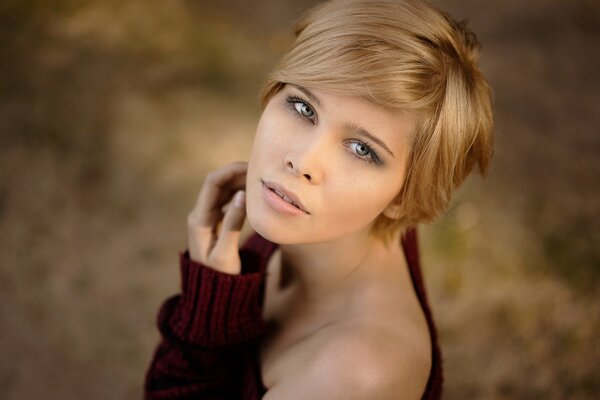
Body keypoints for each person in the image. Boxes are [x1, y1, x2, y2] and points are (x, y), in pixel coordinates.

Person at [144, 0, 493, 398]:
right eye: (302, 106)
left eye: (362, 149)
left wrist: (204, 326)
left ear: (404, 197)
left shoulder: (355, 373)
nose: (302, 161)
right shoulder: (312, 225)